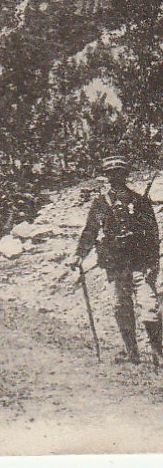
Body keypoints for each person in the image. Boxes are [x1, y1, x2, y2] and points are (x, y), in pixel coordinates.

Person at [75, 156, 162, 364]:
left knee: (149, 308)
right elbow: (90, 231)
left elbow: (153, 235)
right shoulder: (101, 204)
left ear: (125, 175)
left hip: (140, 265)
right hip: (115, 266)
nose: (116, 178)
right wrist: (79, 254)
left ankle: (159, 353)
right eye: (111, 174)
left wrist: (153, 264)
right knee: (121, 308)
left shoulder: (140, 202)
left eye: (119, 173)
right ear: (107, 177)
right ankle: (132, 354)